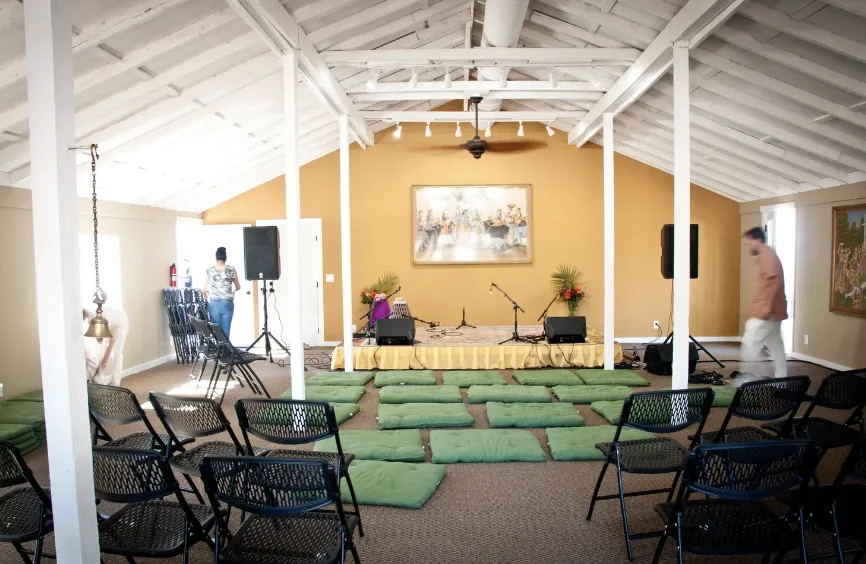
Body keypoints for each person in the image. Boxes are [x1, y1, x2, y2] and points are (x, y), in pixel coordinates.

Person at [741, 227, 788, 378]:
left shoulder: (767, 255)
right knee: (776, 347)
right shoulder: (767, 255)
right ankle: (782, 379)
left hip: (766, 312)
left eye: (748, 243)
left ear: (757, 240)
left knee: (750, 343)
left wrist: (766, 307)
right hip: (772, 312)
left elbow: (775, 280)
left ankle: (748, 378)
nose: (747, 246)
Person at [82, 292, 129, 386]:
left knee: (117, 354)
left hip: (121, 323)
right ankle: (99, 382)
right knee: (98, 353)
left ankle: (115, 383)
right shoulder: (89, 314)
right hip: (112, 322)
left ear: (83, 315)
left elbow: (111, 340)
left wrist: (104, 363)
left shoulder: (96, 316)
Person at [204, 246, 240, 339]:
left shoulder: (209, 271)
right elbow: (238, 287)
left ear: (216, 258)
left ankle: (218, 352)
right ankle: (226, 351)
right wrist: (234, 292)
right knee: (226, 332)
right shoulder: (231, 269)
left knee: (216, 332)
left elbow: (204, 290)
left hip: (214, 303)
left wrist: (206, 299)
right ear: (225, 258)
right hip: (227, 303)